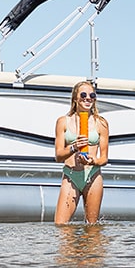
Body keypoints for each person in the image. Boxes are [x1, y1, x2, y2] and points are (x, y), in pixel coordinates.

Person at [52, 81, 110, 225]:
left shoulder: (101, 123)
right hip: (71, 175)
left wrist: (93, 161)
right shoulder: (63, 122)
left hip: (93, 176)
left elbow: (104, 158)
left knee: (92, 227)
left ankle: (90, 248)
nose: (88, 98)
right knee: (60, 225)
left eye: (92, 95)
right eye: (83, 95)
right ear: (75, 98)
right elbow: (58, 156)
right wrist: (73, 147)